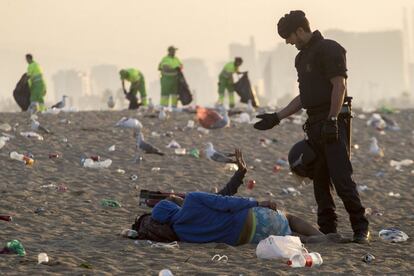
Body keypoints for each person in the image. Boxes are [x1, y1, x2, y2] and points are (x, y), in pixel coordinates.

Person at [253, 10, 370, 243]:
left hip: (333, 122)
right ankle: (328, 230)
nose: (288, 42)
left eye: (289, 37)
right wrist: (277, 117)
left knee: (341, 178)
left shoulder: (329, 48)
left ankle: (360, 228)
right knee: (320, 181)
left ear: (300, 30)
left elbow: (339, 85)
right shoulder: (301, 58)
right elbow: (304, 97)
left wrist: (332, 120)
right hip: (314, 124)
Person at [138, 149, 339, 245]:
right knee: (289, 218)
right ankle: (323, 238)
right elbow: (225, 202)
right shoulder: (192, 199)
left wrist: (239, 174)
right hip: (249, 219)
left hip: (247, 238)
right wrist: (258, 202)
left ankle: (311, 240)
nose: (176, 197)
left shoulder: (182, 234)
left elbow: (221, 196)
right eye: (173, 199)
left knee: (292, 238)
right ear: (174, 205)